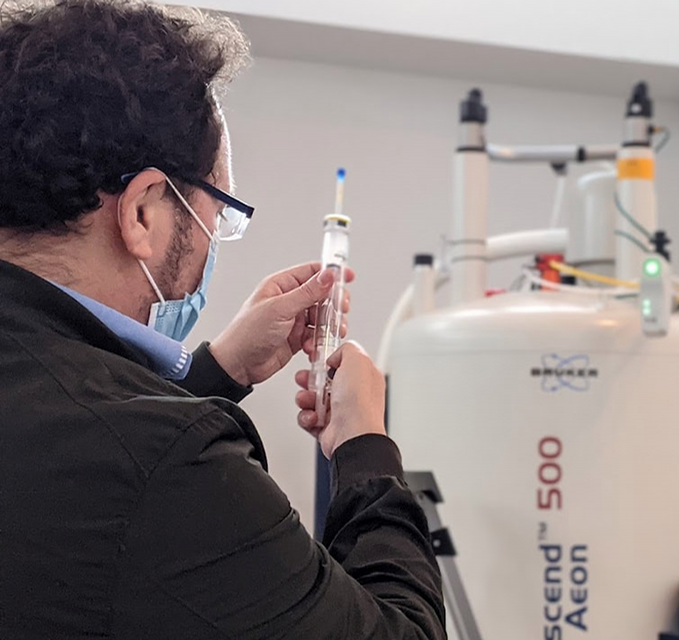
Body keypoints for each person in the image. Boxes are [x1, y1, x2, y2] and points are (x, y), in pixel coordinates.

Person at [0, 1, 444, 638]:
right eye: (218, 213)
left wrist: (221, 369)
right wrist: (364, 447)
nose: (214, 238)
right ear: (144, 211)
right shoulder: (172, 463)